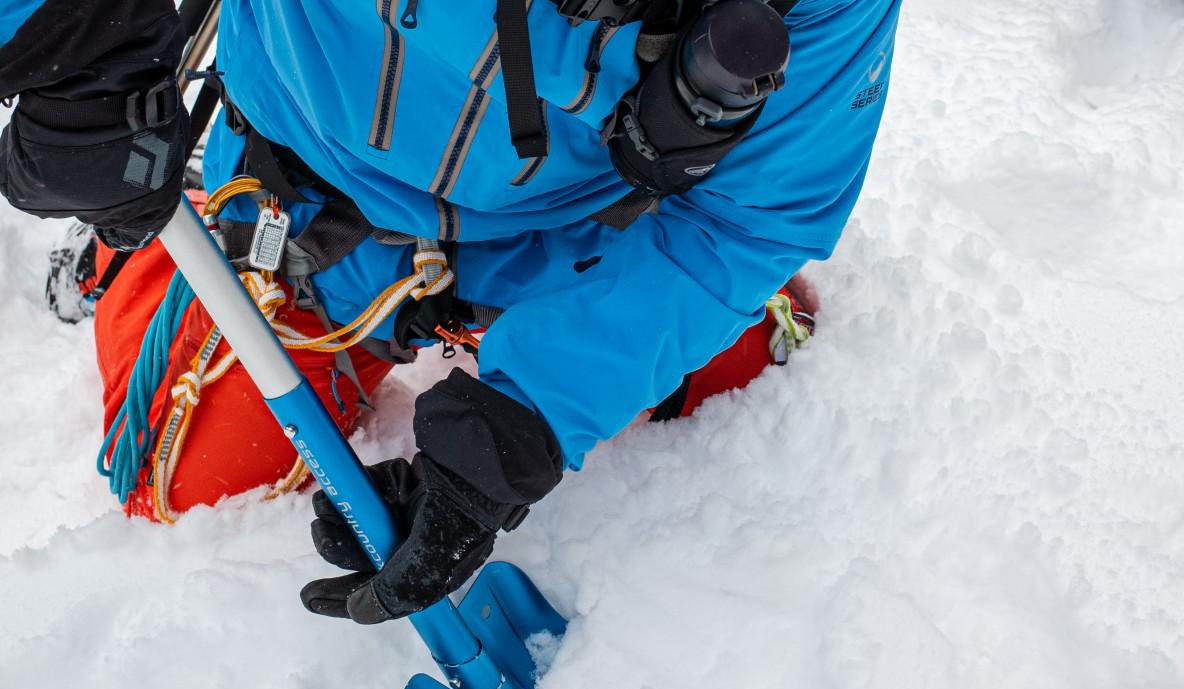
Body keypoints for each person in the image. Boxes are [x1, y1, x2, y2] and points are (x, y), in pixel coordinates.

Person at [0, 0, 900, 623]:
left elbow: (750, 220)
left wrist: (519, 426)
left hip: (566, 237)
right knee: (194, 481)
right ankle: (154, 242)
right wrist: (78, 52)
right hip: (314, 206)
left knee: (730, 361)